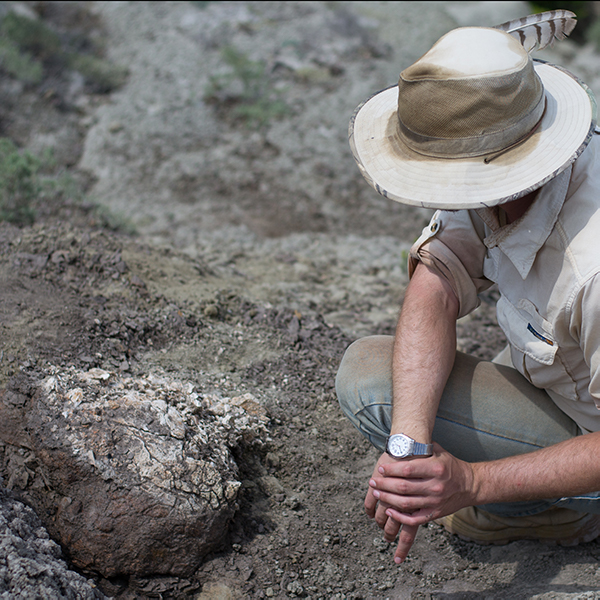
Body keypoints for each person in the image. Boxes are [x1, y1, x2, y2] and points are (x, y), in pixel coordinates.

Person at [336, 18, 600, 566]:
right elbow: (438, 278)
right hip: (569, 371)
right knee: (396, 389)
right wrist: (409, 448)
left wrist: (472, 482)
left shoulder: (592, 271)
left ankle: (569, 509)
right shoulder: (507, 146)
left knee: (371, 386)